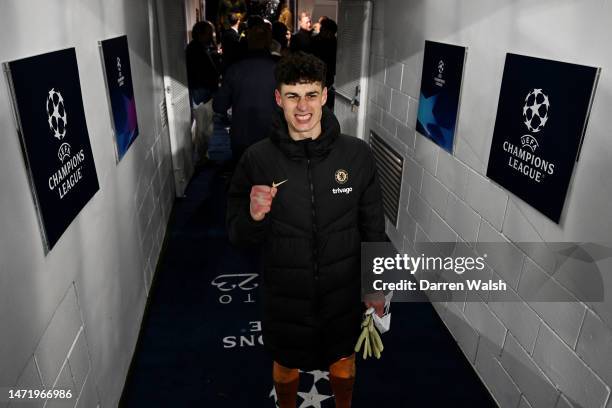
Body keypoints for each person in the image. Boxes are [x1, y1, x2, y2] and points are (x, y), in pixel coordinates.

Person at [226, 52, 386, 408]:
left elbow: (374, 228)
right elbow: (237, 235)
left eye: (311, 94)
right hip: (285, 294)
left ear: (325, 95)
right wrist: (253, 216)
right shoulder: (256, 160)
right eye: (293, 95)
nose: (303, 107)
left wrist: (378, 285)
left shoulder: (357, 156)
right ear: (278, 98)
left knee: (344, 361)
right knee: (285, 363)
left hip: (342, 292)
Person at [213, 23, 277, 167]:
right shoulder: (280, 70)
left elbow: (219, 106)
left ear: (248, 41)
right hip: (272, 137)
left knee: (243, 182)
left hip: (242, 138)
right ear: (269, 42)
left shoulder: (235, 70)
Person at [185, 21, 221, 162]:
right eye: (209, 33)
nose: (211, 36)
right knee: (204, 129)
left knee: (203, 127)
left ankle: (201, 156)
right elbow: (204, 73)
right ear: (201, 34)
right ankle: (201, 158)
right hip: (202, 94)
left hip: (202, 93)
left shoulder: (197, 48)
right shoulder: (196, 50)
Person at [312, 17, 337, 110]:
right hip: (325, 79)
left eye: (323, 29)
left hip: (322, 78)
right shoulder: (334, 43)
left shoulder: (316, 42)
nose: (321, 31)